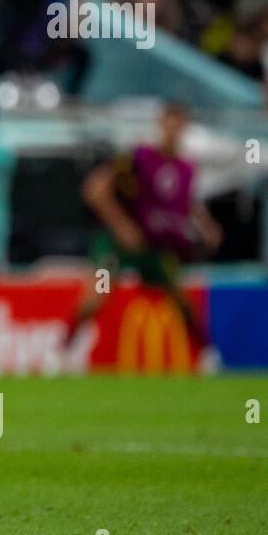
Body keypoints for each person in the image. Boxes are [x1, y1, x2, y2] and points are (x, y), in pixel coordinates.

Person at [64, 101, 223, 366]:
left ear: (185, 128)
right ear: (160, 125)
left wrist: (207, 227)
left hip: (156, 248)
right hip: (117, 246)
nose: (173, 130)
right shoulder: (138, 157)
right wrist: (122, 226)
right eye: (168, 122)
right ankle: (64, 352)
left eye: (179, 124)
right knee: (96, 297)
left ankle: (208, 357)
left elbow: (187, 203)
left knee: (183, 301)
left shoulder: (186, 168)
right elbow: (95, 189)